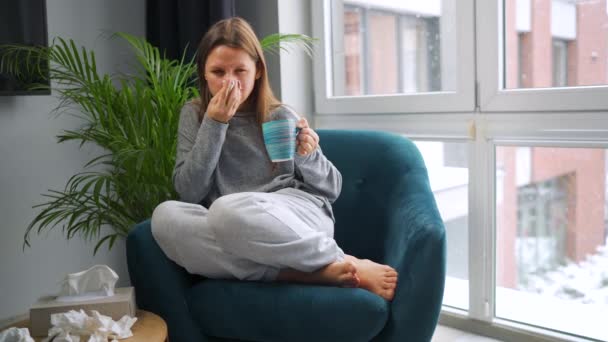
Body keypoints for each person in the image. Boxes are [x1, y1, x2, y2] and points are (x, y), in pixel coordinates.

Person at [151, 17, 398, 301]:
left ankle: (341, 259)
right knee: (165, 217)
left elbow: (331, 190)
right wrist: (215, 124)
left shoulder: (280, 115)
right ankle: (304, 272)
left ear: (257, 71)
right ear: (204, 75)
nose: (229, 81)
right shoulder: (194, 116)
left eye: (240, 70)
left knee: (226, 211)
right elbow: (190, 191)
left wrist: (308, 155)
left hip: (293, 216)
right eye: (218, 71)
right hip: (232, 225)